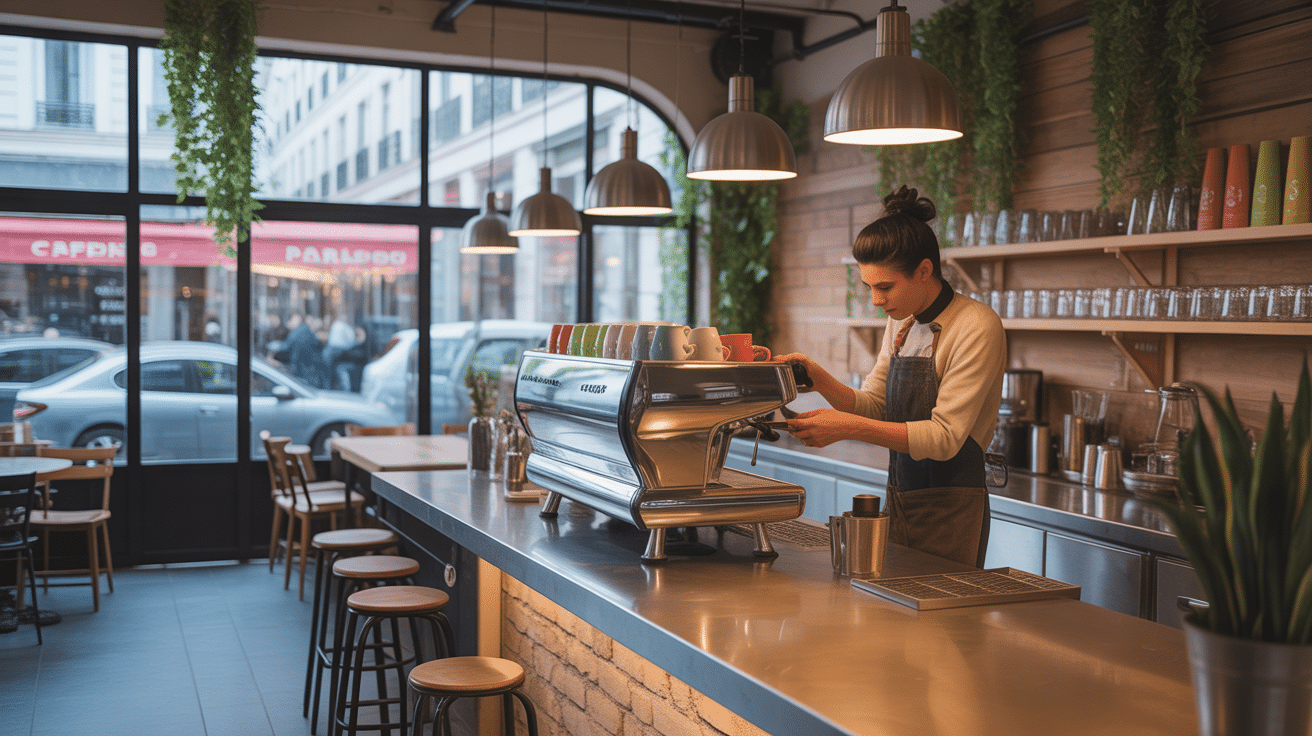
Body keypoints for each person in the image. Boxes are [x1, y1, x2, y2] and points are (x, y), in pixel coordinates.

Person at [774, 186, 1006, 567]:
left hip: (953, 506)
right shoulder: (904, 320)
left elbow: (945, 438)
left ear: (925, 271)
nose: (876, 301)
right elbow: (875, 405)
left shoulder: (976, 325)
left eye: (885, 287)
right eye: (869, 288)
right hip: (901, 495)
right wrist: (818, 378)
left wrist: (848, 427)